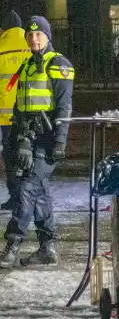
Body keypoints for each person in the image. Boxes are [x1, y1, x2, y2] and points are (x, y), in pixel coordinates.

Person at [0, 16, 73, 268]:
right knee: (38, 190)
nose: (33, 38)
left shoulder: (59, 64)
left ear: (48, 36)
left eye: (38, 34)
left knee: (25, 189)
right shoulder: (27, 66)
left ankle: (13, 243)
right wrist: (19, 139)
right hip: (28, 138)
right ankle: (47, 247)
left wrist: (60, 143)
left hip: (48, 138)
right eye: (30, 35)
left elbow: (64, 107)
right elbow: (20, 107)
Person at [0, 11, 30, 210]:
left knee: (10, 157)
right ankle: (27, 197)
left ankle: (14, 197)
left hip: (6, 116)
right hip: (30, 114)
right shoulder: (32, 45)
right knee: (28, 155)